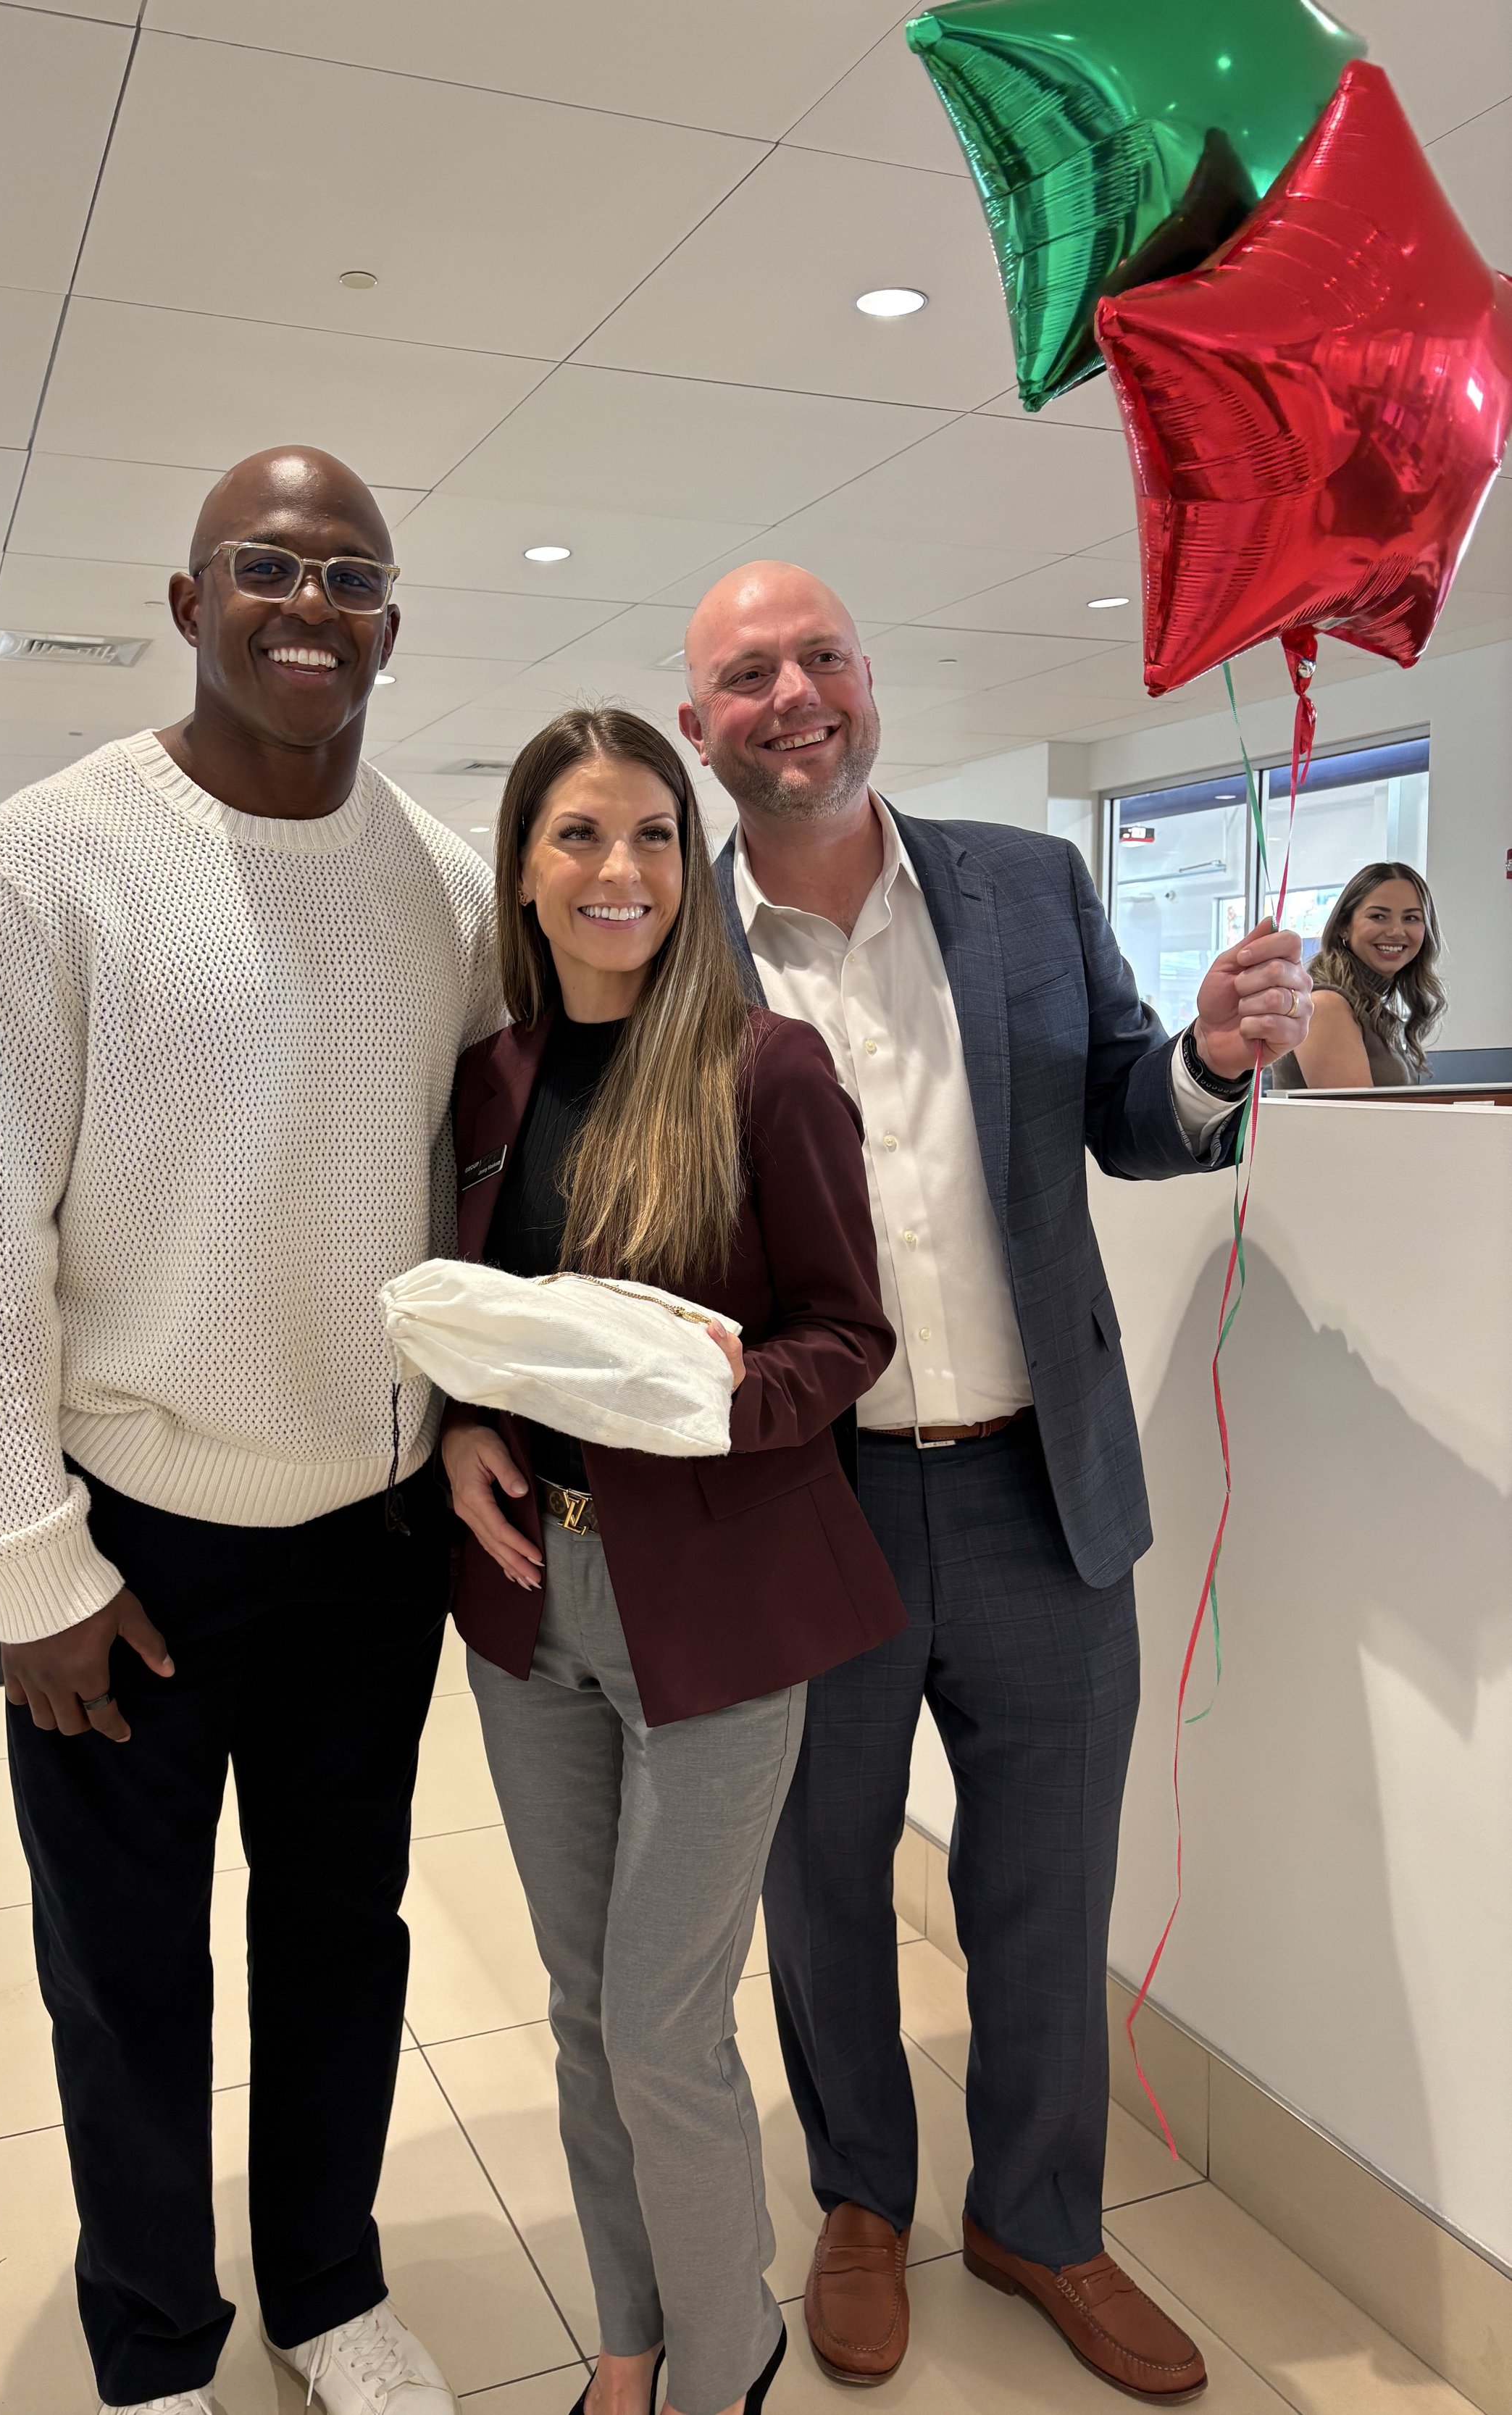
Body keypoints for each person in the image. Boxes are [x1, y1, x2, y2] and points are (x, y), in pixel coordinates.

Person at [0, 448, 497, 2415]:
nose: (310, 602)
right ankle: (156, 2343)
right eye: (268, 565)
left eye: (351, 575)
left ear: (392, 627)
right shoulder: (40, 864)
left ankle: (325, 2287)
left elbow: (474, 1185)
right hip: (125, 1547)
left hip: (372, 1532)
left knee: (344, 1940)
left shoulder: (443, 885)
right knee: (126, 1974)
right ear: (186, 602)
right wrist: (26, 1560)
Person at [680, 564, 1314, 2406]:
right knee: (821, 1874)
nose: (793, 693)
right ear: (701, 718)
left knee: (1049, 1882)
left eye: (821, 657)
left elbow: (1124, 1105)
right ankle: (862, 2199)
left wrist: (1204, 1057)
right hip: (811, 1504)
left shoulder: (1026, 885)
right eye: (747, 674)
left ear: (871, 677)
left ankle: (1040, 2215)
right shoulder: (676, 952)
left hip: (1045, 1486)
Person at [442, 707, 904, 2415]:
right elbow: (473, 1322)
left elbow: (848, 1332)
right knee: (583, 2013)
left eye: (648, 833)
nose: (618, 869)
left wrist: (713, 1401)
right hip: (523, 1599)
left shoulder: (764, 1069)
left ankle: (728, 2355)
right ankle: (627, 2339)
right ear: (523, 870)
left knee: (661, 2022)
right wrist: (451, 1427)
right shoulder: (488, 1082)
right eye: (577, 835)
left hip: (714, 1607)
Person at [1270, 862, 1444, 1090]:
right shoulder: (1326, 1006)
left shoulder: (1369, 1009)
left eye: (1411, 918)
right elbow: (1356, 1122)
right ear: (1344, 926)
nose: (1396, 932)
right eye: (1379, 916)